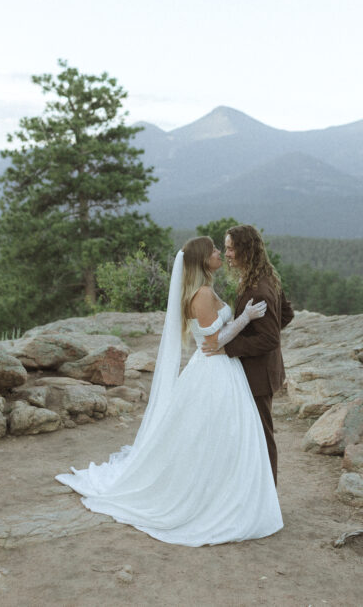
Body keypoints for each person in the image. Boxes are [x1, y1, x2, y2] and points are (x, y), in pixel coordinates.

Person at [55, 236, 283, 546]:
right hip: (214, 371)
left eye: (222, 248)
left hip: (224, 371)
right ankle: (216, 497)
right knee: (218, 433)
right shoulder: (202, 295)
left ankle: (234, 490)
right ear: (203, 260)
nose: (219, 253)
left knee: (227, 434)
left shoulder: (207, 289)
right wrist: (244, 318)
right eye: (215, 250)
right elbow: (217, 341)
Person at [202, 224, 293, 484]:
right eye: (226, 248)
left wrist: (230, 346)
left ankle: (267, 498)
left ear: (245, 250)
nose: (227, 253)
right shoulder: (266, 277)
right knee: (253, 432)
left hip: (258, 375)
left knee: (262, 435)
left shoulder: (258, 288)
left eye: (231, 248)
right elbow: (286, 315)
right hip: (260, 371)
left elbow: (270, 337)